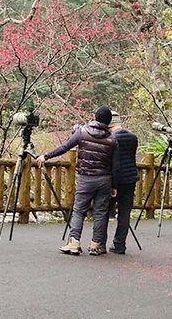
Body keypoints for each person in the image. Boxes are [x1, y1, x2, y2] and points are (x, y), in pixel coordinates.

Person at [36, 105, 116, 256]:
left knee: (79, 210)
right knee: (100, 212)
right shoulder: (112, 140)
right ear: (109, 122)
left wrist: (46, 156)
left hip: (86, 178)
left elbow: (65, 147)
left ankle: (74, 243)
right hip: (105, 179)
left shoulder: (82, 133)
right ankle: (96, 245)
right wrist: (114, 185)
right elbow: (115, 165)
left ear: (95, 116)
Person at [109, 120, 139, 254]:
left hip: (115, 180)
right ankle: (120, 244)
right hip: (130, 178)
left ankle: (99, 242)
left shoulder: (112, 139)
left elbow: (112, 161)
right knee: (124, 213)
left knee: (104, 211)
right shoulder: (133, 137)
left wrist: (112, 184)